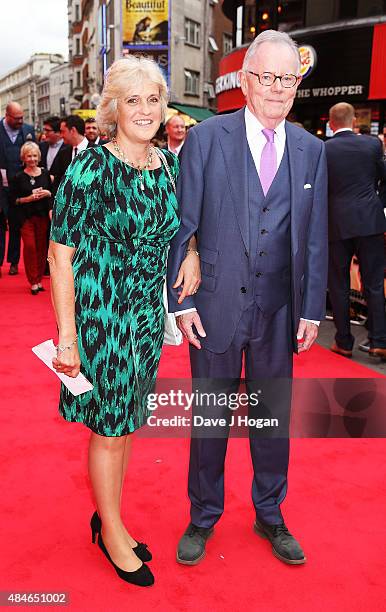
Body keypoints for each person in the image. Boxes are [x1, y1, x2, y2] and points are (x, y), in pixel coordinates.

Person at [167, 29, 328, 566]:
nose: (280, 89)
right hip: (212, 306)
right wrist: (181, 301)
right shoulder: (207, 138)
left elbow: (315, 236)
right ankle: (202, 515)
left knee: (270, 420)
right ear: (246, 80)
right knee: (211, 419)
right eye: (269, 77)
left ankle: (270, 513)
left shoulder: (311, 149)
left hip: (278, 310)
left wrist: (311, 308)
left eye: (289, 78)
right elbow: (181, 223)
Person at [48, 56, 198, 587]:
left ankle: (109, 516)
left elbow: (184, 228)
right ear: (114, 108)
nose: (145, 109)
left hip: (144, 316)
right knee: (110, 429)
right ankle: (111, 530)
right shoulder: (90, 167)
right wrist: (68, 336)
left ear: (164, 107)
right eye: (132, 100)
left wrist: (192, 252)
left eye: (153, 99)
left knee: (129, 421)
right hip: (101, 315)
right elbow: (59, 253)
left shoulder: (170, 166)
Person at [325, 102, 386, 359]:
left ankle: (344, 341)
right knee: (373, 283)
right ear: (355, 122)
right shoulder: (373, 144)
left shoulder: (324, 149)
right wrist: (377, 203)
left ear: (331, 124)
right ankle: (379, 341)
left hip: (337, 223)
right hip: (370, 221)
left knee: (338, 284)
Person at [10, 142, 52, 294]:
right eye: (29, 156)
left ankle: (39, 279)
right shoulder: (18, 176)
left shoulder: (45, 173)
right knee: (29, 247)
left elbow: (51, 193)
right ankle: (33, 280)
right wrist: (28, 198)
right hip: (25, 217)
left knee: (42, 248)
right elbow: (13, 200)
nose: (32, 159)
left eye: (35, 155)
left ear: (39, 157)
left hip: (42, 216)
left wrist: (47, 193)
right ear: (23, 158)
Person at [0, 101, 36, 276]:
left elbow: (35, 155)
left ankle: (14, 261)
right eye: (17, 118)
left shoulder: (28, 130)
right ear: (7, 116)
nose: (21, 121)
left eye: (22, 117)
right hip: (2, 187)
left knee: (16, 225)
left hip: (22, 187)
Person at [50, 115, 89, 195]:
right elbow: (58, 182)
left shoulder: (98, 151)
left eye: (63, 131)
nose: (61, 135)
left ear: (73, 130)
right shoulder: (63, 153)